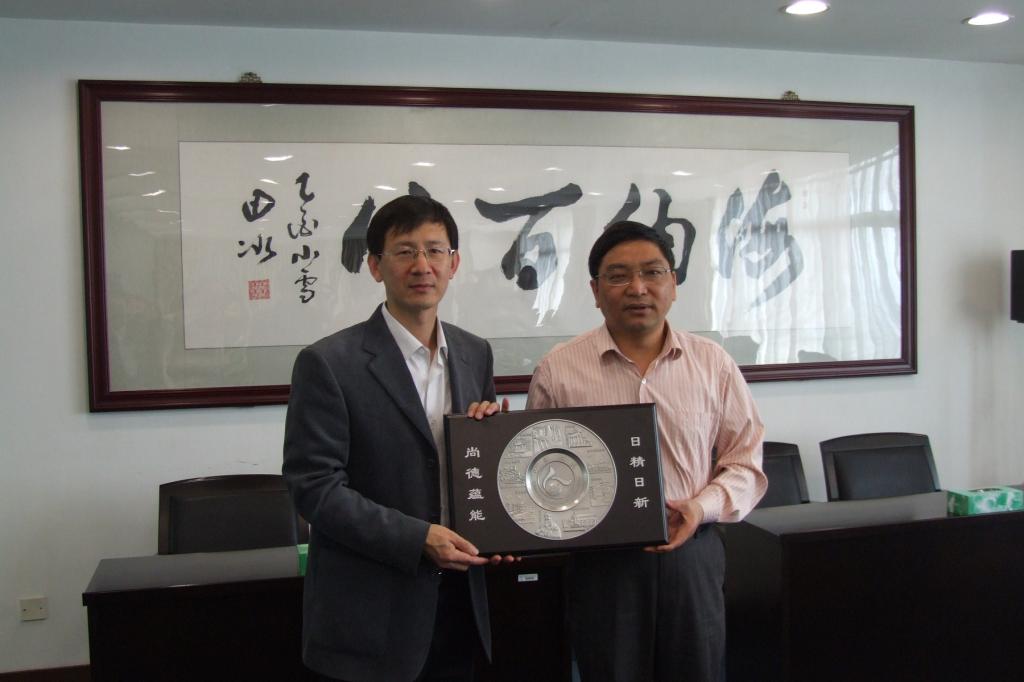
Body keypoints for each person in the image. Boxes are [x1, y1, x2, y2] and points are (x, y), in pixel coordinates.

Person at [526, 220, 767, 682]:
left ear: (673, 283)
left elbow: (746, 463)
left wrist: (700, 507)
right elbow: (538, 473)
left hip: (692, 556)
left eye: (652, 273)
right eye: (618, 276)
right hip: (602, 567)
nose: (637, 288)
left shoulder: (713, 363)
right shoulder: (558, 370)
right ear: (595, 291)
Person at [283, 195, 506, 682]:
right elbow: (314, 488)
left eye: (435, 250)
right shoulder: (328, 363)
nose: (422, 265)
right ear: (375, 266)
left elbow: (476, 467)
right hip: (371, 614)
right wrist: (417, 538)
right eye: (405, 251)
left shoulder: (475, 353)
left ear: (454, 264)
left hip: (460, 603)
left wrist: (503, 521)